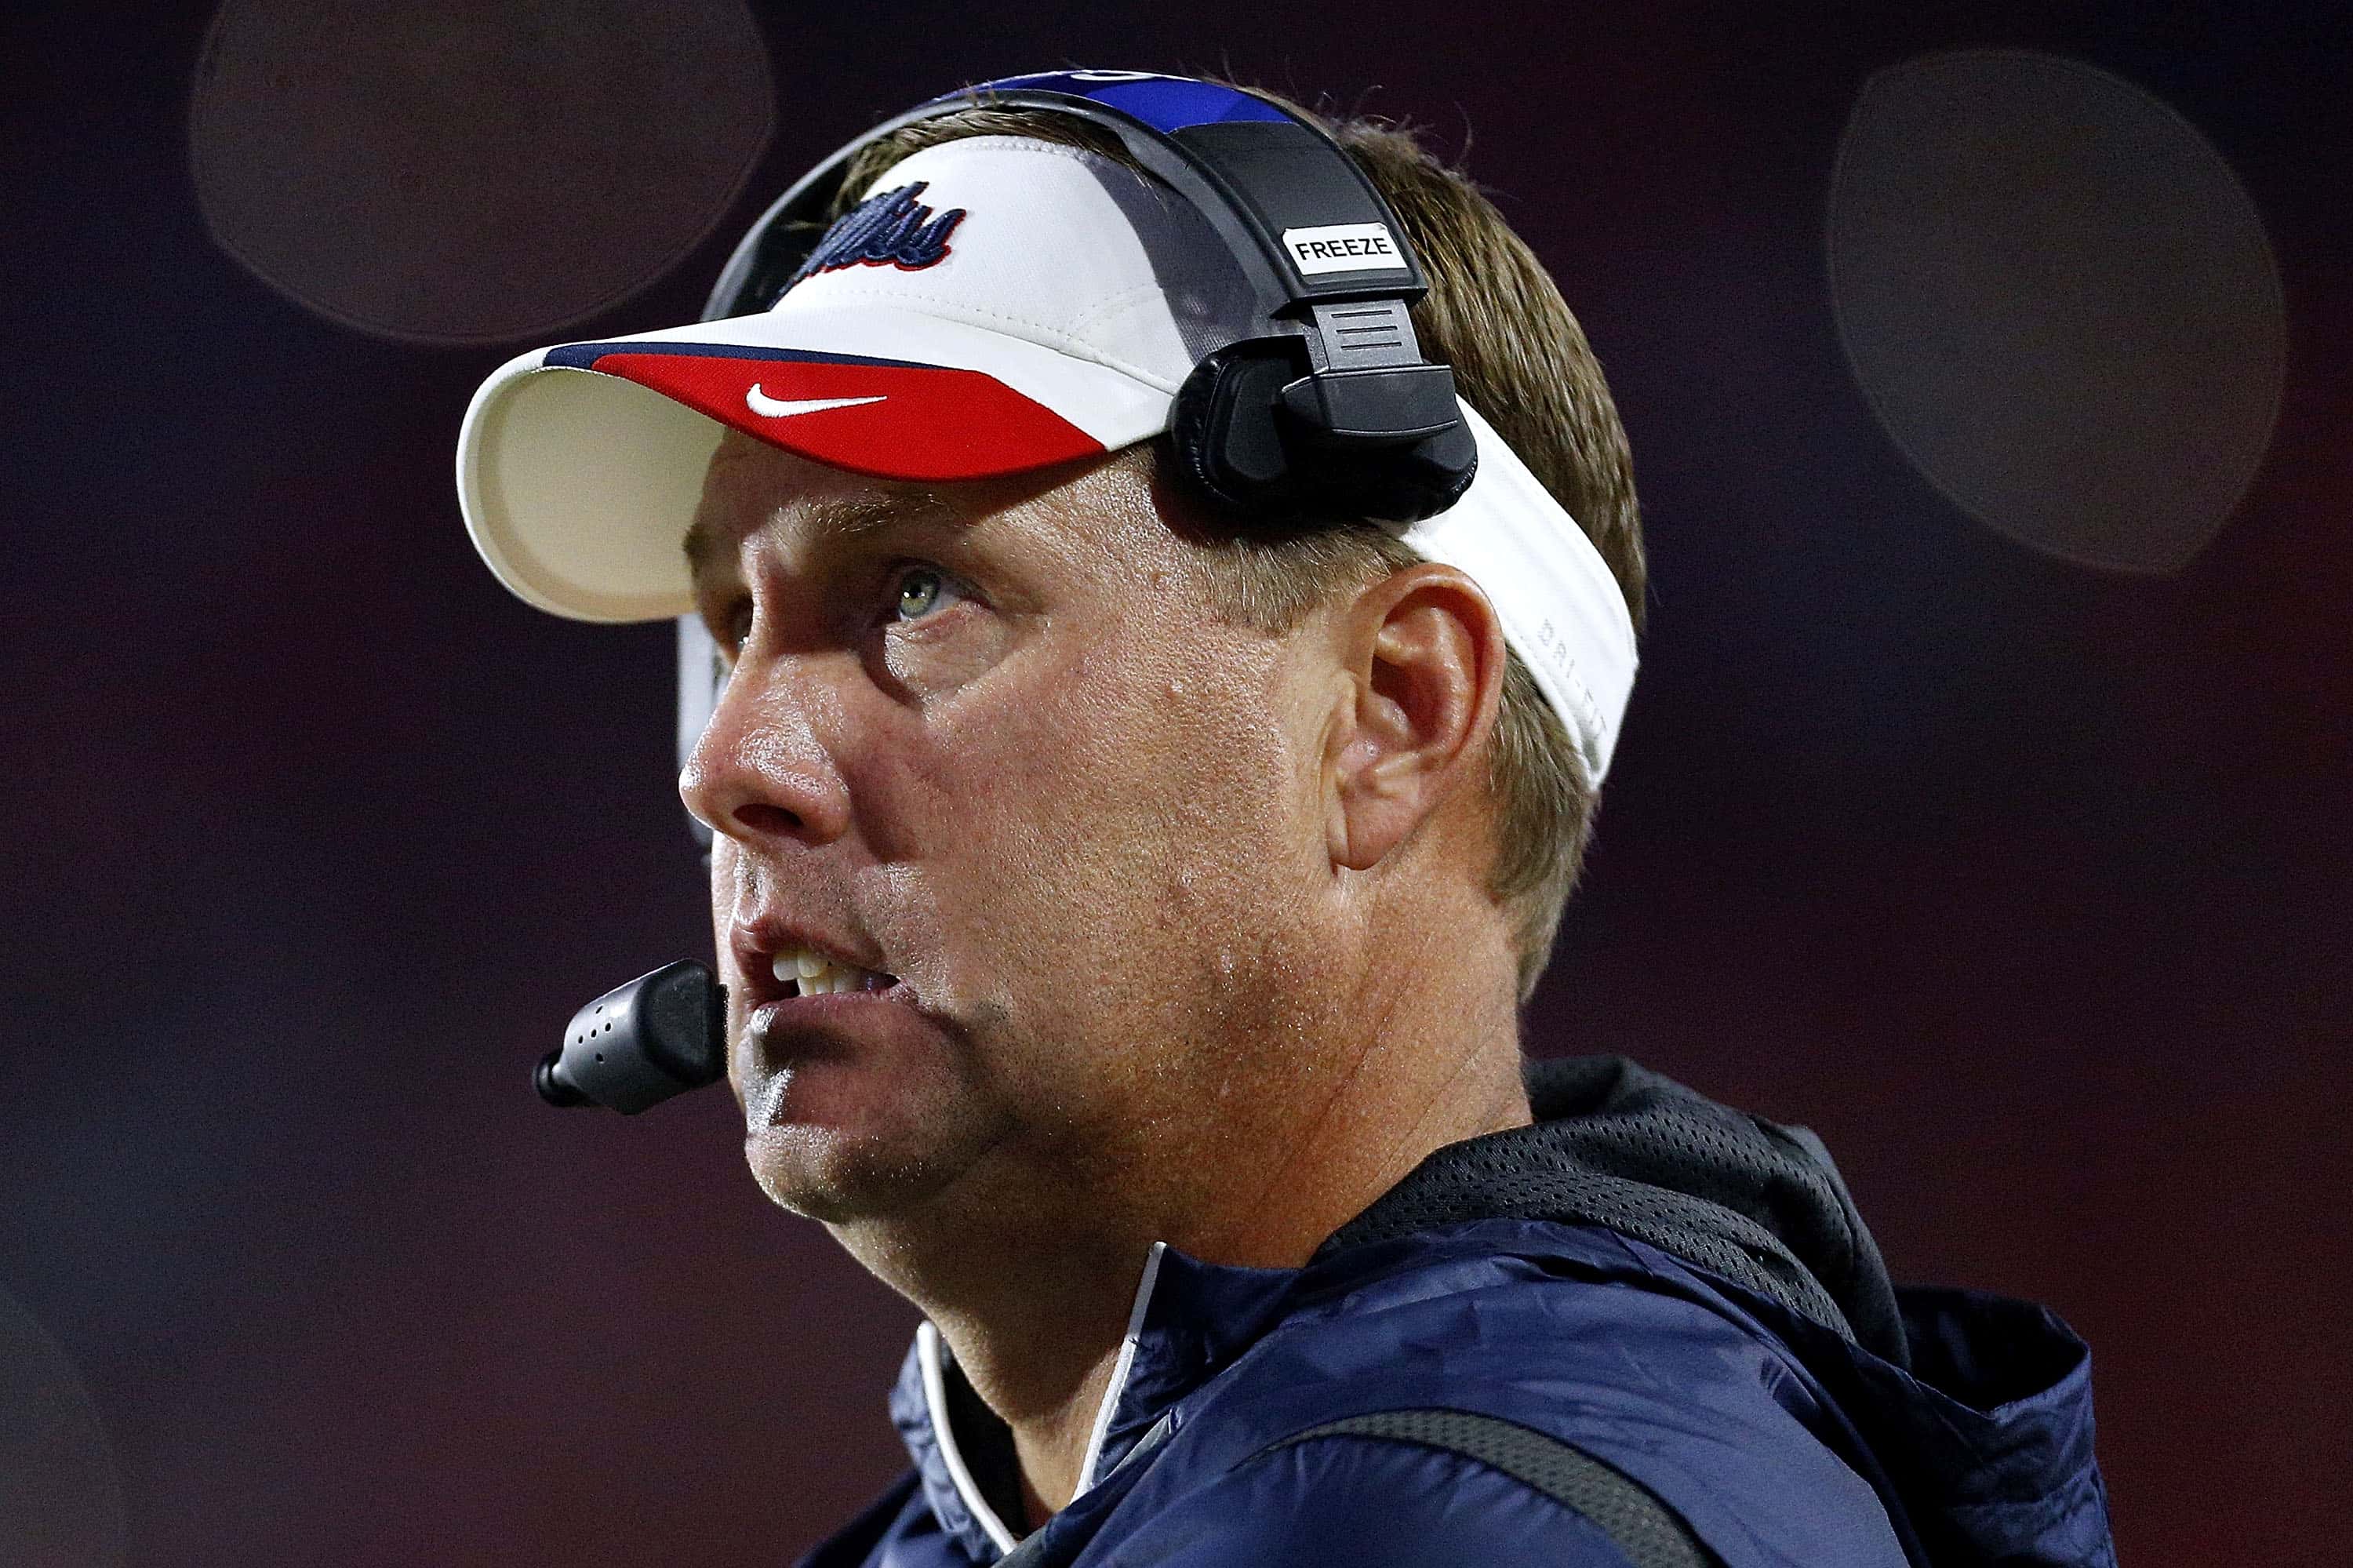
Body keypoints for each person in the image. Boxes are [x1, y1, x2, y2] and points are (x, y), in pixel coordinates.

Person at [455, 71, 2115, 1568]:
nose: (730, 758)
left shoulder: (1437, 1531)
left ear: (1388, 718)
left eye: (915, 591)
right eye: (731, 628)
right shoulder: (1168, 1502)